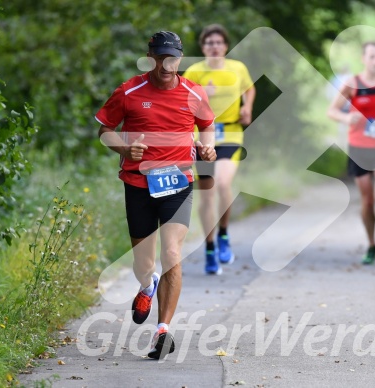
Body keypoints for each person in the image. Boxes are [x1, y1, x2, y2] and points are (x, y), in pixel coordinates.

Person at [95, 31, 216, 359]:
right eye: (160, 57)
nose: (166, 65)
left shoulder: (194, 92)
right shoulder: (129, 91)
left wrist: (208, 146)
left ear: (179, 58)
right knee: (143, 262)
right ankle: (147, 285)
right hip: (138, 185)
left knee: (172, 253)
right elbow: (104, 130)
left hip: (178, 184)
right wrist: (124, 147)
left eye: (172, 58)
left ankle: (162, 331)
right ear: (151, 56)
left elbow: (206, 124)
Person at [183, 24, 256, 275]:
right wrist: (204, 95)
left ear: (225, 45)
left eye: (218, 42)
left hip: (231, 132)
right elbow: (183, 104)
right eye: (209, 43)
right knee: (207, 194)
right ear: (203, 47)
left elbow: (250, 88)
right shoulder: (194, 71)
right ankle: (210, 247)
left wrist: (247, 107)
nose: (214, 46)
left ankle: (224, 233)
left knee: (223, 184)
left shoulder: (238, 69)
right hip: (203, 136)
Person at [327, 42, 375, 265]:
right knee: (368, 201)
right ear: (364, 58)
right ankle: (371, 245)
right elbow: (331, 110)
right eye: (371, 57)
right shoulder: (352, 84)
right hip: (358, 148)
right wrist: (347, 118)